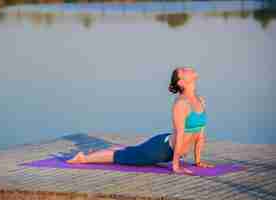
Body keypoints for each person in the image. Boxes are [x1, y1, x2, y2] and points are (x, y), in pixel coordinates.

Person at [66, 66, 215, 174]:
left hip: (166, 144)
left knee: (131, 151)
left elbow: (200, 133)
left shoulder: (200, 100)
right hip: (160, 151)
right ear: (181, 82)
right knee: (121, 156)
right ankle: (83, 158)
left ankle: (95, 153)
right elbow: (180, 134)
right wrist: (176, 166)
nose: (187, 68)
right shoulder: (181, 104)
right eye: (183, 70)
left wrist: (198, 160)